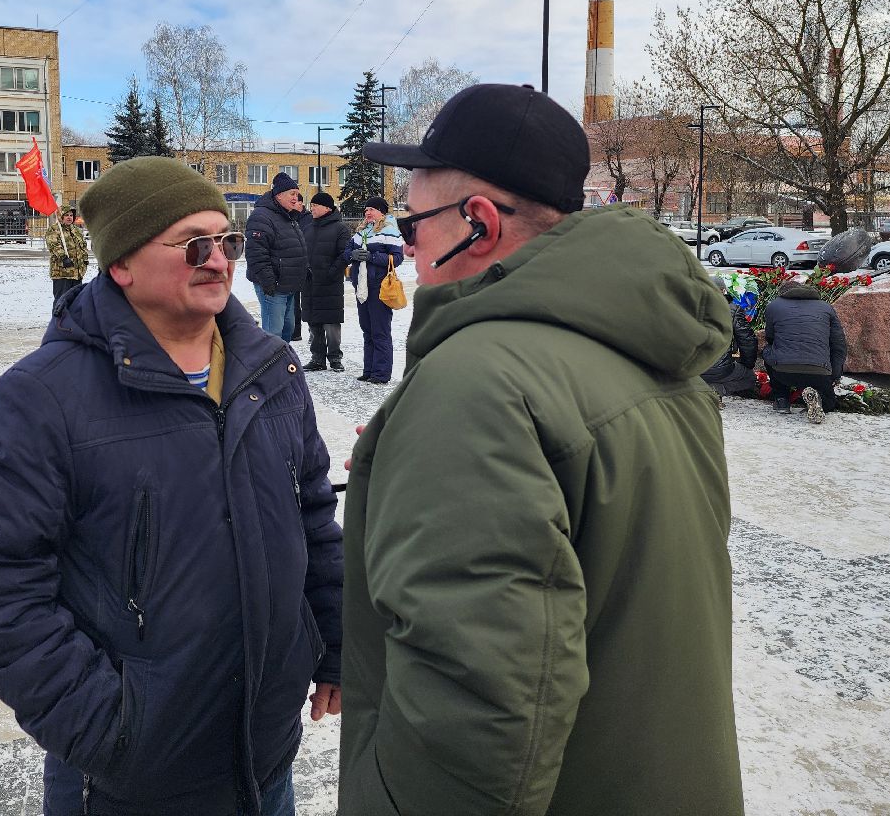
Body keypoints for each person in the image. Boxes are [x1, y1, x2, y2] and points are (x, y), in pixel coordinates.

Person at [338, 83, 744, 815]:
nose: (407, 245)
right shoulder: (648, 351)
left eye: (413, 222)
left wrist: (450, 431)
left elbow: (473, 715)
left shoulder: (478, 386)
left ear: (478, 224)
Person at [0, 157, 343, 816]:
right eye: (195, 245)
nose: (220, 261)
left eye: (228, 242)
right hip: (133, 783)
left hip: (267, 760)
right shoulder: (42, 397)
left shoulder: (271, 369)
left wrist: (333, 641)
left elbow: (312, 518)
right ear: (123, 265)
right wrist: (110, 729)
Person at [762, 279, 848, 423]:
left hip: (783, 372)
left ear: (782, 294)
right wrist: (834, 376)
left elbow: (770, 337)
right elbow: (838, 345)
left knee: (768, 351)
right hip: (819, 372)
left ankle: (782, 399)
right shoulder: (826, 308)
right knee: (829, 402)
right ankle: (819, 398)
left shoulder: (774, 306)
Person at [244, 172, 309, 340]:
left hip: (288, 284)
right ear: (279, 195)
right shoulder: (262, 216)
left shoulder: (289, 216)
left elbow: (293, 247)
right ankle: (270, 365)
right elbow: (256, 253)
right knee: (273, 334)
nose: (296, 198)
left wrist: (303, 270)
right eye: (292, 194)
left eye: (297, 193)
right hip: (273, 286)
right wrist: (268, 280)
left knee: (288, 329)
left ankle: (283, 364)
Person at [346, 196, 404, 384]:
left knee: (380, 331)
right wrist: (352, 254)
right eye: (366, 210)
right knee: (367, 329)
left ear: (381, 211)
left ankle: (381, 373)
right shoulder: (362, 231)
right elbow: (346, 252)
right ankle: (369, 369)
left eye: (371, 209)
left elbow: (397, 258)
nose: (367, 213)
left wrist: (372, 257)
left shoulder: (390, 230)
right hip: (361, 287)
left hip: (379, 287)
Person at [300, 191, 349, 372]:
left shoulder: (340, 229)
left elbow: (344, 255)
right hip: (310, 284)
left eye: (315, 205)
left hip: (330, 284)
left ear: (327, 208)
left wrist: (331, 273)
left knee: (331, 324)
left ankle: (335, 358)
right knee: (314, 323)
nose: (311, 208)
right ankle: (317, 359)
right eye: (311, 205)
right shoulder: (307, 228)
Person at [701, 274, 759, 402]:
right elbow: (747, 340)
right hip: (721, 369)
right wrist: (747, 364)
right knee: (750, 378)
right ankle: (717, 389)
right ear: (723, 291)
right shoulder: (732, 310)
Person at [44, 206, 89, 302]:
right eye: (66, 215)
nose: (69, 217)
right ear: (61, 216)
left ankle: (73, 318)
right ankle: (60, 318)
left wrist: (84, 261)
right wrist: (63, 258)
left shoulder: (76, 230)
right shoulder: (54, 230)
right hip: (62, 273)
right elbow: (54, 245)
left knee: (76, 302)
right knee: (62, 301)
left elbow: (83, 246)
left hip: (77, 273)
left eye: (71, 215)